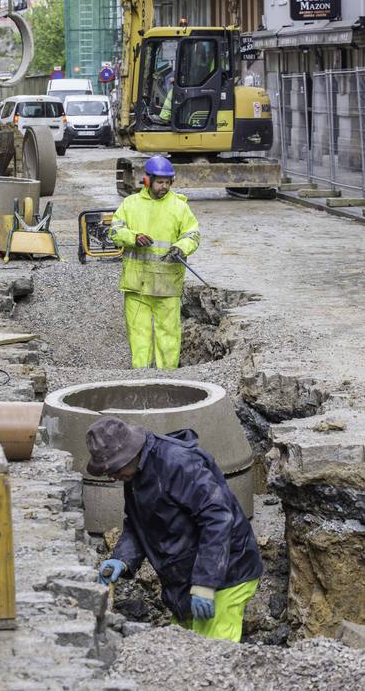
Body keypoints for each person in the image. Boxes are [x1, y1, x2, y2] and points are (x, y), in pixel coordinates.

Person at [87, 415, 262, 642]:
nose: (112, 477)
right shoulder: (134, 474)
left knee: (211, 658)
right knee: (178, 652)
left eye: (114, 468)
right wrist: (123, 559)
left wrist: (205, 584)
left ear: (131, 452)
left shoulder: (179, 464)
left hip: (227, 573)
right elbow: (138, 522)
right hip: (184, 580)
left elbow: (218, 518)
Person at [109, 155, 200, 369]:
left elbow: (193, 235)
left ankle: (168, 377)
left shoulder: (179, 207)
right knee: (138, 335)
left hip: (167, 284)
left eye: (168, 182)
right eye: (160, 182)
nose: (164, 187)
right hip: (136, 284)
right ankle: (140, 376)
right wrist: (133, 238)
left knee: (168, 335)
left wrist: (181, 247)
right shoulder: (130, 205)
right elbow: (114, 231)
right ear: (147, 180)